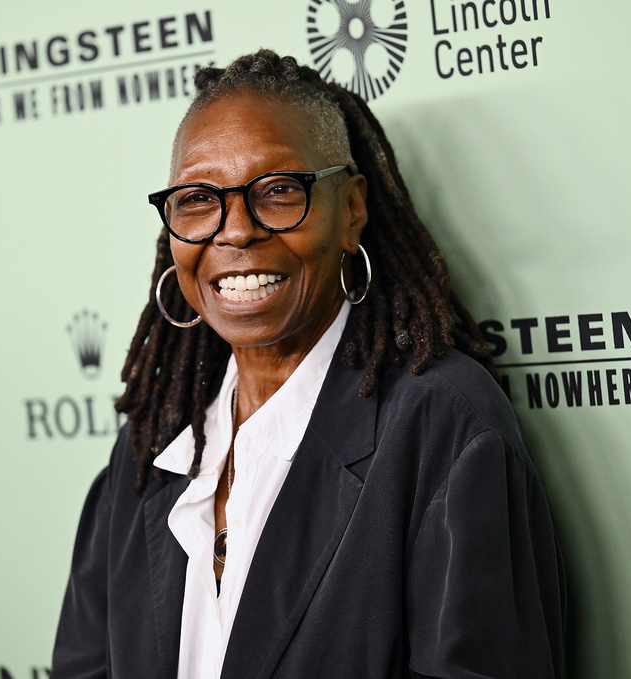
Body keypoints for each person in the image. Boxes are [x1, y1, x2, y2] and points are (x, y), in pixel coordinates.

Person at [52, 49, 565, 679]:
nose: (235, 231)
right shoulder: (148, 453)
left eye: (277, 192)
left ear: (351, 210)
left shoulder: (442, 424)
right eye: (197, 199)